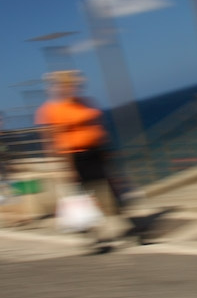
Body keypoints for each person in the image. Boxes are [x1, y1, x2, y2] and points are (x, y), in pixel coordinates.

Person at [35, 70, 130, 248]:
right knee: (82, 197)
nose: (75, 88)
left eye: (75, 85)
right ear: (61, 87)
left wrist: (106, 150)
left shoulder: (85, 103)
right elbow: (52, 140)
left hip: (96, 152)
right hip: (75, 157)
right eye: (70, 84)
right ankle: (93, 234)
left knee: (109, 190)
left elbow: (97, 126)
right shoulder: (52, 110)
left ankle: (121, 226)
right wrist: (64, 167)